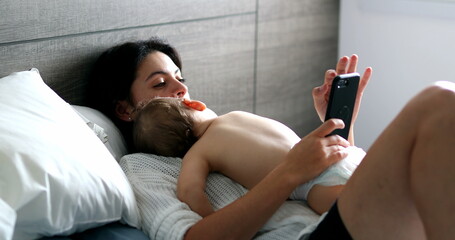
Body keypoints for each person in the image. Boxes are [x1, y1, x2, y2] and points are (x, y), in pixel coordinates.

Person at [88, 37, 455, 240]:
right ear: (125, 110)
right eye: (160, 83)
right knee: (439, 103)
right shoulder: (142, 167)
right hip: (311, 234)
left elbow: (332, 172)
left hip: (340, 211)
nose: (181, 88)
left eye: (179, 76)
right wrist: (290, 174)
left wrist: (339, 124)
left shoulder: (226, 128)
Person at [132, 96, 366, 215]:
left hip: (314, 184)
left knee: (358, 212)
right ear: (196, 104)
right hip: (340, 153)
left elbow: (188, 191)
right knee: (378, 189)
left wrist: (209, 215)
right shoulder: (235, 115)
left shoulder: (197, 154)